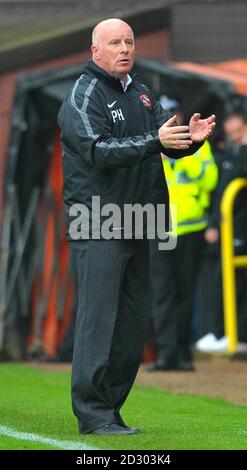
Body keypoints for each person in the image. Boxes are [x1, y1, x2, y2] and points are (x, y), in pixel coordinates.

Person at [57, 18, 215, 436]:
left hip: (140, 221)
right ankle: (92, 413)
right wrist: (155, 142)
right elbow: (97, 151)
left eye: (129, 41)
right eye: (115, 42)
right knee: (99, 322)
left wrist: (192, 138)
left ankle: (109, 409)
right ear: (95, 51)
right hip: (97, 220)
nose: (125, 48)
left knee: (131, 326)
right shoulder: (83, 94)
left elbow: (167, 139)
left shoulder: (142, 94)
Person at [148, 99, 218, 372]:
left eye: (173, 115)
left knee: (186, 292)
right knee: (163, 293)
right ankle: (166, 355)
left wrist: (182, 157)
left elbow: (210, 179)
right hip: (160, 229)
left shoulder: (198, 144)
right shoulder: (151, 145)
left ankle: (183, 354)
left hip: (190, 229)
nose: (171, 121)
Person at [196, 111, 247, 352]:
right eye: (232, 133)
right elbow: (220, 194)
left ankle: (231, 334)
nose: (236, 137)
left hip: (240, 229)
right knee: (219, 279)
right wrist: (214, 224)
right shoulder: (229, 155)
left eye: (239, 131)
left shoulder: (241, 155)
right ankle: (222, 332)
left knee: (235, 281)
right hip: (228, 227)